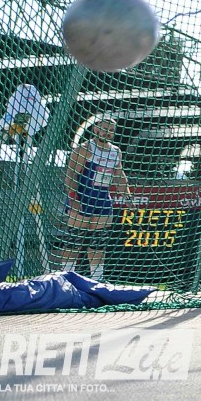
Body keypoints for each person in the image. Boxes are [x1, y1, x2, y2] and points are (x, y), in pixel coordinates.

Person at [55, 118, 131, 280]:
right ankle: (65, 277)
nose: (107, 133)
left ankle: (97, 279)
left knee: (98, 242)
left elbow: (119, 175)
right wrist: (73, 199)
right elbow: (71, 174)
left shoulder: (116, 151)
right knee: (75, 240)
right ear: (96, 129)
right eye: (104, 129)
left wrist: (127, 195)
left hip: (102, 200)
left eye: (111, 130)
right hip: (83, 198)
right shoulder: (84, 149)